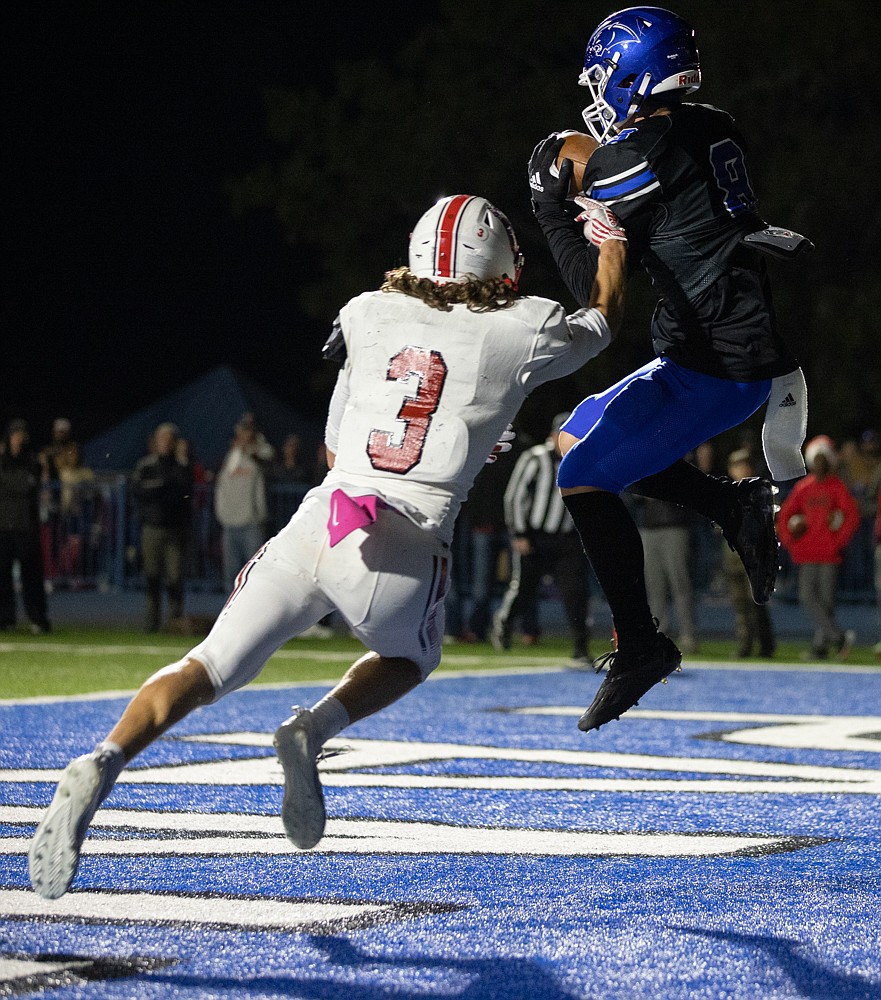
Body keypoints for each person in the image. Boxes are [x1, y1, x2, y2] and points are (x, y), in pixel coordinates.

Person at [28, 192, 628, 900]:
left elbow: (336, 444)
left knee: (206, 665)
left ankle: (106, 757)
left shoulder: (365, 312)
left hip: (320, 519)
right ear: (498, 262)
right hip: (401, 540)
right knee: (410, 656)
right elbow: (602, 318)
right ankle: (312, 729)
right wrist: (611, 240)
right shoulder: (521, 325)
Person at [528, 5, 810, 731]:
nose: (596, 94)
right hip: (722, 345)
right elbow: (624, 168)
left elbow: (596, 302)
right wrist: (591, 183)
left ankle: (640, 645)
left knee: (581, 478)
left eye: (603, 78)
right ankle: (730, 504)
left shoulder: (641, 160)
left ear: (629, 75)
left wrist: (553, 208)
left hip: (716, 366)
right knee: (573, 434)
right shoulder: (710, 123)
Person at [493, 412, 593, 665]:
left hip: (568, 538)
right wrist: (519, 533)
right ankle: (503, 624)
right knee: (524, 588)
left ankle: (581, 646)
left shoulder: (584, 462)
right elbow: (514, 497)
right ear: (553, 436)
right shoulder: (536, 458)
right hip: (535, 536)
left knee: (575, 593)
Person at [777, 436, 860, 660]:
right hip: (807, 553)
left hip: (829, 554)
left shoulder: (836, 487)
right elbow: (785, 515)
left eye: (824, 458)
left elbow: (851, 516)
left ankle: (821, 646)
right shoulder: (804, 488)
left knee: (825, 601)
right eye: (817, 458)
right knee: (807, 597)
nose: (820, 463)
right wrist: (791, 542)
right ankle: (838, 637)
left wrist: (837, 541)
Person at [131, 422, 193, 632]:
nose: (166, 444)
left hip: (175, 529)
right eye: (162, 439)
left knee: (175, 577)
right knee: (152, 575)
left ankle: (174, 621)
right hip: (153, 526)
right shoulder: (146, 465)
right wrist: (163, 488)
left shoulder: (181, 465)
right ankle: (151, 621)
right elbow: (139, 491)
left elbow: (185, 492)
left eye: (169, 439)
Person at [723, 450, 776, 658]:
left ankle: (766, 645)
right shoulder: (725, 492)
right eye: (737, 466)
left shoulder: (759, 491)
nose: (741, 470)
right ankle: (745, 645)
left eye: (744, 465)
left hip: (753, 556)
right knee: (740, 605)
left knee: (757, 604)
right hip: (733, 556)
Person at [0, 419, 51, 633]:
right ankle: (5, 619)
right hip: (3, 527)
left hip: (26, 527)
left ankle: (38, 619)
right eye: (15, 434)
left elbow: (26, 486)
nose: (18, 439)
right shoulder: (3, 461)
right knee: (2, 576)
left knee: (32, 577)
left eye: (21, 435)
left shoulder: (32, 461)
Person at [214, 414, 273, 592]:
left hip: (251, 523)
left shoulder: (260, 453)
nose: (245, 434)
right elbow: (222, 486)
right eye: (242, 429)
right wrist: (222, 514)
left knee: (255, 573)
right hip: (230, 523)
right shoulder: (231, 455)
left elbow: (268, 458)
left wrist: (253, 446)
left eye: (249, 430)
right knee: (231, 575)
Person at [635, 495, 698, 654]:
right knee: (654, 587)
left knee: (680, 584)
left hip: (674, 525)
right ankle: (659, 636)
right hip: (648, 527)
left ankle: (688, 636)